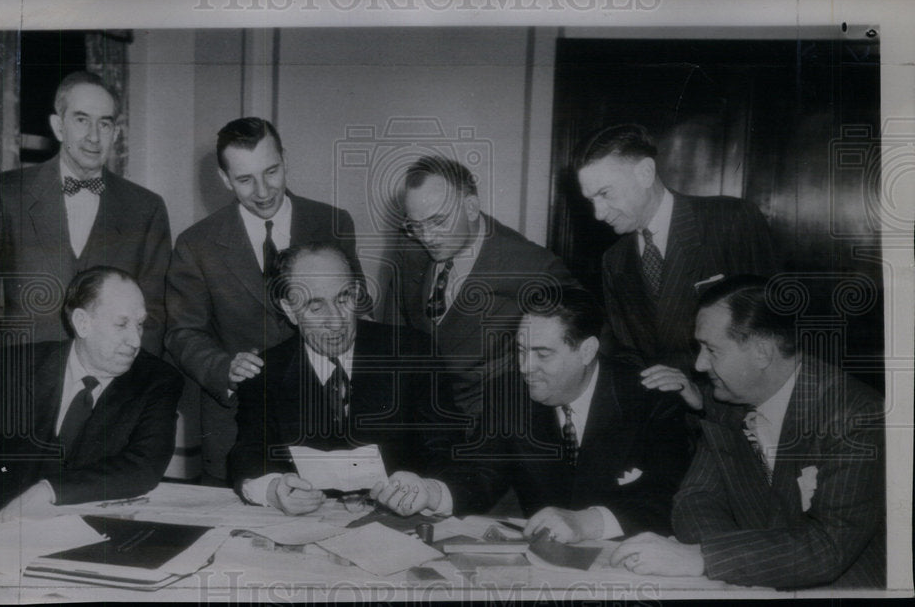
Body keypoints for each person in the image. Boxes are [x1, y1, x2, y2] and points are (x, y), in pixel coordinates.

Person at [610, 275, 885, 589]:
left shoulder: (856, 416)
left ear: (762, 353)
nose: (699, 365)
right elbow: (695, 500)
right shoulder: (728, 405)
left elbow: (829, 546)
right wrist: (735, 561)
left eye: (711, 350)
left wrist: (703, 558)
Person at [371, 286, 691, 542]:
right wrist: (430, 491)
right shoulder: (508, 393)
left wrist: (585, 523)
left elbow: (669, 498)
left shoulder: (651, 399)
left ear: (587, 350)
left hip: (629, 562)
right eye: (521, 351)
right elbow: (481, 473)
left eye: (543, 354)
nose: (525, 368)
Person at [165, 117, 363, 485]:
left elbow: (355, 310)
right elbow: (181, 332)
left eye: (271, 171)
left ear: (285, 159)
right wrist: (223, 367)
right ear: (225, 180)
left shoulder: (332, 222)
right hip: (237, 423)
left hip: (327, 415)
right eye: (244, 180)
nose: (262, 191)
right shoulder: (197, 244)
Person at [0, 71, 172, 365]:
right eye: (81, 120)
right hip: (22, 384)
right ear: (58, 127)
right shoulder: (4, 194)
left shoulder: (147, 208)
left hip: (112, 392)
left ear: (116, 133)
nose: (94, 137)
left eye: (105, 123)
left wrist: (132, 394)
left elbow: (155, 315)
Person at [0, 266, 182, 533]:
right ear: (82, 323)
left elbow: (143, 466)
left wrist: (50, 490)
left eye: (139, 324)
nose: (135, 340)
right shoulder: (10, 367)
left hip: (89, 537)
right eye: (121, 324)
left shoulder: (157, 380)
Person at [227, 243, 443, 515]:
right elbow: (247, 455)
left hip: (402, 521)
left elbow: (445, 449)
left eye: (343, 299)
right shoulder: (266, 373)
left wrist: (427, 489)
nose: (337, 322)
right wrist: (272, 489)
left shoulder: (413, 352)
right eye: (316, 307)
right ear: (290, 309)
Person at [384, 155, 577, 423]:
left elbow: (583, 337)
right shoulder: (409, 250)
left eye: (438, 221)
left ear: (472, 207)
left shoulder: (531, 265)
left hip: (493, 425)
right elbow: (392, 336)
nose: (426, 237)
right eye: (415, 225)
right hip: (418, 417)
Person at [574, 124, 777, 376]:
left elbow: (773, 329)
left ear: (646, 173)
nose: (599, 213)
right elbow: (629, 352)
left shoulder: (731, 220)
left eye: (605, 193)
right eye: (591, 200)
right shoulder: (614, 260)